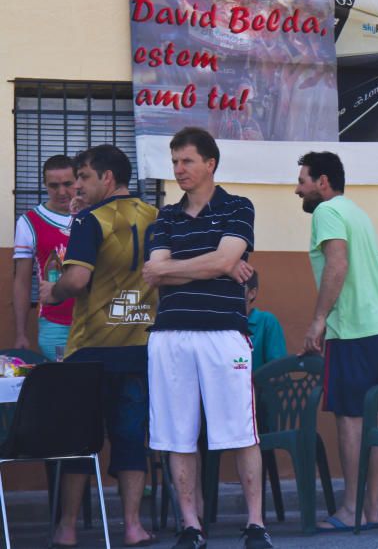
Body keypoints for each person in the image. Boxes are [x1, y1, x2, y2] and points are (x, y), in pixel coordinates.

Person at [142, 127, 271, 549]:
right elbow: (151, 271)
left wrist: (213, 263)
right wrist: (216, 263)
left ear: (210, 163)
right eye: (175, 161)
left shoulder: (238, 206)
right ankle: (190, 526)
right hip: (171, 336)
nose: (178, 169)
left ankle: (255, 525)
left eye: (187, 161)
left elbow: (221, 259)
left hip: (224, 335)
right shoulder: (164, 217)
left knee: (242, 432)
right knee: (177, 435)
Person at [38, 145, 158, 548]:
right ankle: (133, 527)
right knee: (130, 439)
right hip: (140, 347)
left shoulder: (90, 220)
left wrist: (50, 292)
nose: (79, 186)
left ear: (107, 178)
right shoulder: (154, 217)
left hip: (90, 350)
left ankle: (68, 528)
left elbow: (74, 281)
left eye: (85, 177)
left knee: (80, 441)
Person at [296, 151, 378, 532]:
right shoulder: (357, 213)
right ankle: (370, 509)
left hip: (353, 329)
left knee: (352, 420)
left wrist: (319, 320)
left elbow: (337, 265)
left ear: (323, 182)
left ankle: (351, 509)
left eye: (303, 182)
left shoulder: (327, 211)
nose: (297, 190)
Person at [12, 154, 76, 360]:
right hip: (54, 324)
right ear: (45, 185)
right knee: (62, 383)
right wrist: (21, 333)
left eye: (68, 184)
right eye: (54, 185)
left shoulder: (94, 216)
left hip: (95, 322)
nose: (62, 192)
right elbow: (21, 281)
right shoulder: (29, 222)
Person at [245, 271, 288, 371]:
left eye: (237, 286)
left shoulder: (266, 322)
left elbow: (279, 370)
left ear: (252, 293)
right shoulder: (220, 323)